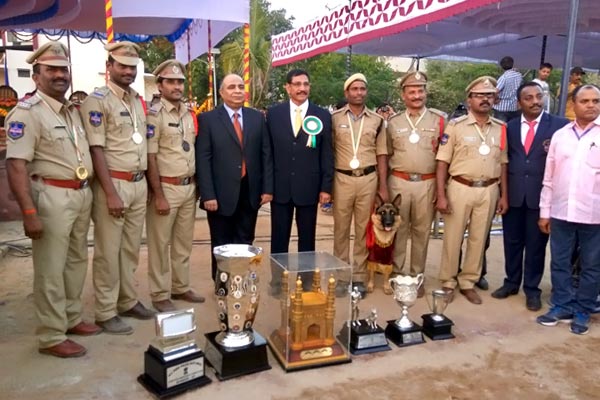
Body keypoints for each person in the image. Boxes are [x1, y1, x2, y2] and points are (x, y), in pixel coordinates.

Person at [5, 42, 100, 358]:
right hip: (51, 198)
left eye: (63, 70)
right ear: (36, 75)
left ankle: (71, 319)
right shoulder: (27, 113)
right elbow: (16, 165)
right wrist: (29, 211)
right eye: (52, 70)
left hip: (79, 194)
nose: (60, 76)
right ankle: (50, 334)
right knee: (50, 268)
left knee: (75, 262)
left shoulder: (71, 111)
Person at [80, 41, 154, 335]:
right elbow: (96, 149)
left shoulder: (136, 99)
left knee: (130, 249)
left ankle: (127, 300)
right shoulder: (97, 101)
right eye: (122, 65)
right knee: (108, 252)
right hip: (114, 183)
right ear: (109, 67)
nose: (127, 71)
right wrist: (110, 192)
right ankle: (105, 310)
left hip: (138, 183)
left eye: (132, 67)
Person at [493, 82, 569, 311]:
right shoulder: (510, 126)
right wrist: (503, 195)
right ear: (519, 102)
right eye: (529, 98)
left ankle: (532, 290)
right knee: (512, 242)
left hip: (541, 198)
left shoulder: (559, 126)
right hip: (514, 195)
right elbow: (505, 162)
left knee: (536, 245)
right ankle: (511, 282)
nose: (535, 101)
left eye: (539, 96)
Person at [436, 76, 509, 305]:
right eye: (480, 95)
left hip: (489, 189)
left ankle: (468, 281)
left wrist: (504, 194)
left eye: (489, 95)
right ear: (469, 100)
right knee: (453, 238)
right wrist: (441, 195)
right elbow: (442, 162)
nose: (485, 99)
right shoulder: (456, 127)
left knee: (478, 239)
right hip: (460, 187)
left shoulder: (501, 128)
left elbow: (503, 163)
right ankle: (448, 282)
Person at [196, 74, 273, 280]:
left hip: (250, 191)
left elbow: (265, 154)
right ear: (221, 93)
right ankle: (222, 283)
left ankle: (241, 281)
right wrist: (207, 195)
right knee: (221, 242)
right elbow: (203, 159)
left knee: (245, 239)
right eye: (231, 87)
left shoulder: (257, 117)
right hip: (220, 195)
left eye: (241, 86)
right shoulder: (207, 119)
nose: (237, 90)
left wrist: (267, 189)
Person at [536, 84, 600, 335]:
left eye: (596, 100)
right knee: (560, 262)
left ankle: (583, 309)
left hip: (594, 214)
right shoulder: (561, 136)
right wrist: (544, 211)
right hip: (561, 213)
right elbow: (549, 177)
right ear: (574, 105)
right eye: (585, 101)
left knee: (592, 265)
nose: (591, 105)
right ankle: (562, 304)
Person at [266, 69, 333, 293]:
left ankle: (305, 282)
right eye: (297, 84)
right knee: (279, 239)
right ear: (288, 87)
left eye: (305, 84)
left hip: (309, 187)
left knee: (307, 239)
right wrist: (268, 186)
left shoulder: (322, 115)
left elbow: (326, 153)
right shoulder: (273, 114)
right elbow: (268, 153)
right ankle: (278, 281)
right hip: (280, 188)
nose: (302, 88)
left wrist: (326, 187)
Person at [145, 60, 205, 312]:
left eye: (180, 81)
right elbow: (151, 156)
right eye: (170, 81)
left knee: (183, 242)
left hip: (188, 187)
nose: (177, 86)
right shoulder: (153, 116)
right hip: (166, 188)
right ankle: (159, 293)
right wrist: (158, 194)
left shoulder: (189, 114)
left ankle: (180, 287)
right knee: (160, 244)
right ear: (160, 85)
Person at [385, 71, 446, 298]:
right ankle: (399, 274)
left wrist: (442, 190)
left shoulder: (439, 120)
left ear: (425, 93)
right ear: (403, 95)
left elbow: (444, 156)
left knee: (422, 232)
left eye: (420, 90)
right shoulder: (393, 122)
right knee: (398, 229)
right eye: (412, 91)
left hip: (427, 183)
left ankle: (417, 276)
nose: (416, 95)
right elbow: (387, 153)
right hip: (399, 181)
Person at [332, 73, 388, 295]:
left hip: (368, 179)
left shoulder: (377, 120)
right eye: (354, 89)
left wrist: (382, 186)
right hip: (342, 178)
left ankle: (359, 278)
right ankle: (340, 277)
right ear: (346, 93)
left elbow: (382, 153)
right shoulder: (334, 118)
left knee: (363, 230)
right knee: (341, 230)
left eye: (362, 89)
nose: (358, 93)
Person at [493, 56, 522, 122]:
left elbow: (495, 91)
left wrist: (496, 99)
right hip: (513, 107)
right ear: (512, 64)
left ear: (502, 66)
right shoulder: (519, 75)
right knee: (511, 129)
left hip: (501, 107)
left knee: (501, 129)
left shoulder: (504, 77)